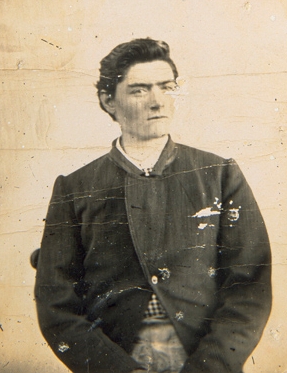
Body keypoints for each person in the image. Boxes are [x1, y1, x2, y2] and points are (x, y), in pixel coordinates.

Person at [32, 38, 272, 373]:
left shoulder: (219, 175)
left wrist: (211, 366)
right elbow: (56, 304)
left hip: (205, 360)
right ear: (108, 100)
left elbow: (249, 286)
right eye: (139, 90)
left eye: (166, 87)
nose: (157, 101)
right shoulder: (75, 188)